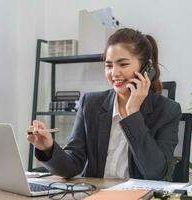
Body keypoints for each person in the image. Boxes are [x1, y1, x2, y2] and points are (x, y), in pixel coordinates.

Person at [27, 28, 181, 180]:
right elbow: (73, 164)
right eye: (109, 65)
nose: (114, 73)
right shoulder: (91, 104)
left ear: (146, 68)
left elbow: (156, 173)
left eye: (123, 64)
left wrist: (133, 113)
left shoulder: (167, 111)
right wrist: (48, 148)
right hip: (97, 193)